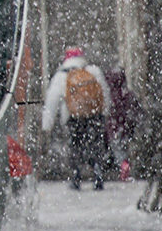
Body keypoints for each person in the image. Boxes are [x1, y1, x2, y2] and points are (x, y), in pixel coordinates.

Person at [43, 47, 113, 190]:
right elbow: (104, 92)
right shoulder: (93, 70)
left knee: (75, 146)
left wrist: (47, 124)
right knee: (95, 144)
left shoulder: (62, 75)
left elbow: (52, 100)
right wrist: (105, 112)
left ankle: (76, 176)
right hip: (94, 115)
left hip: (72, 117)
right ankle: (97, 174)